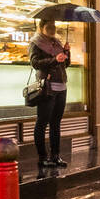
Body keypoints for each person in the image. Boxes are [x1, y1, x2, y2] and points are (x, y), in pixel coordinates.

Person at [29, 17, 70, 170]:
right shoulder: (36, 43)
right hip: (47, 87)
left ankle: (55, 156)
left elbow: (65, 64)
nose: (53, 28)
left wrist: (66, 52)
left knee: (56, 123)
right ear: (42, 27)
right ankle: (42, 157)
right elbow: (35, 63)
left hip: (61, 87)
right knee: (42, 123)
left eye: (54, 25)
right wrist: (54, 59)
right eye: (49, 26)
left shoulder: (57, 42)